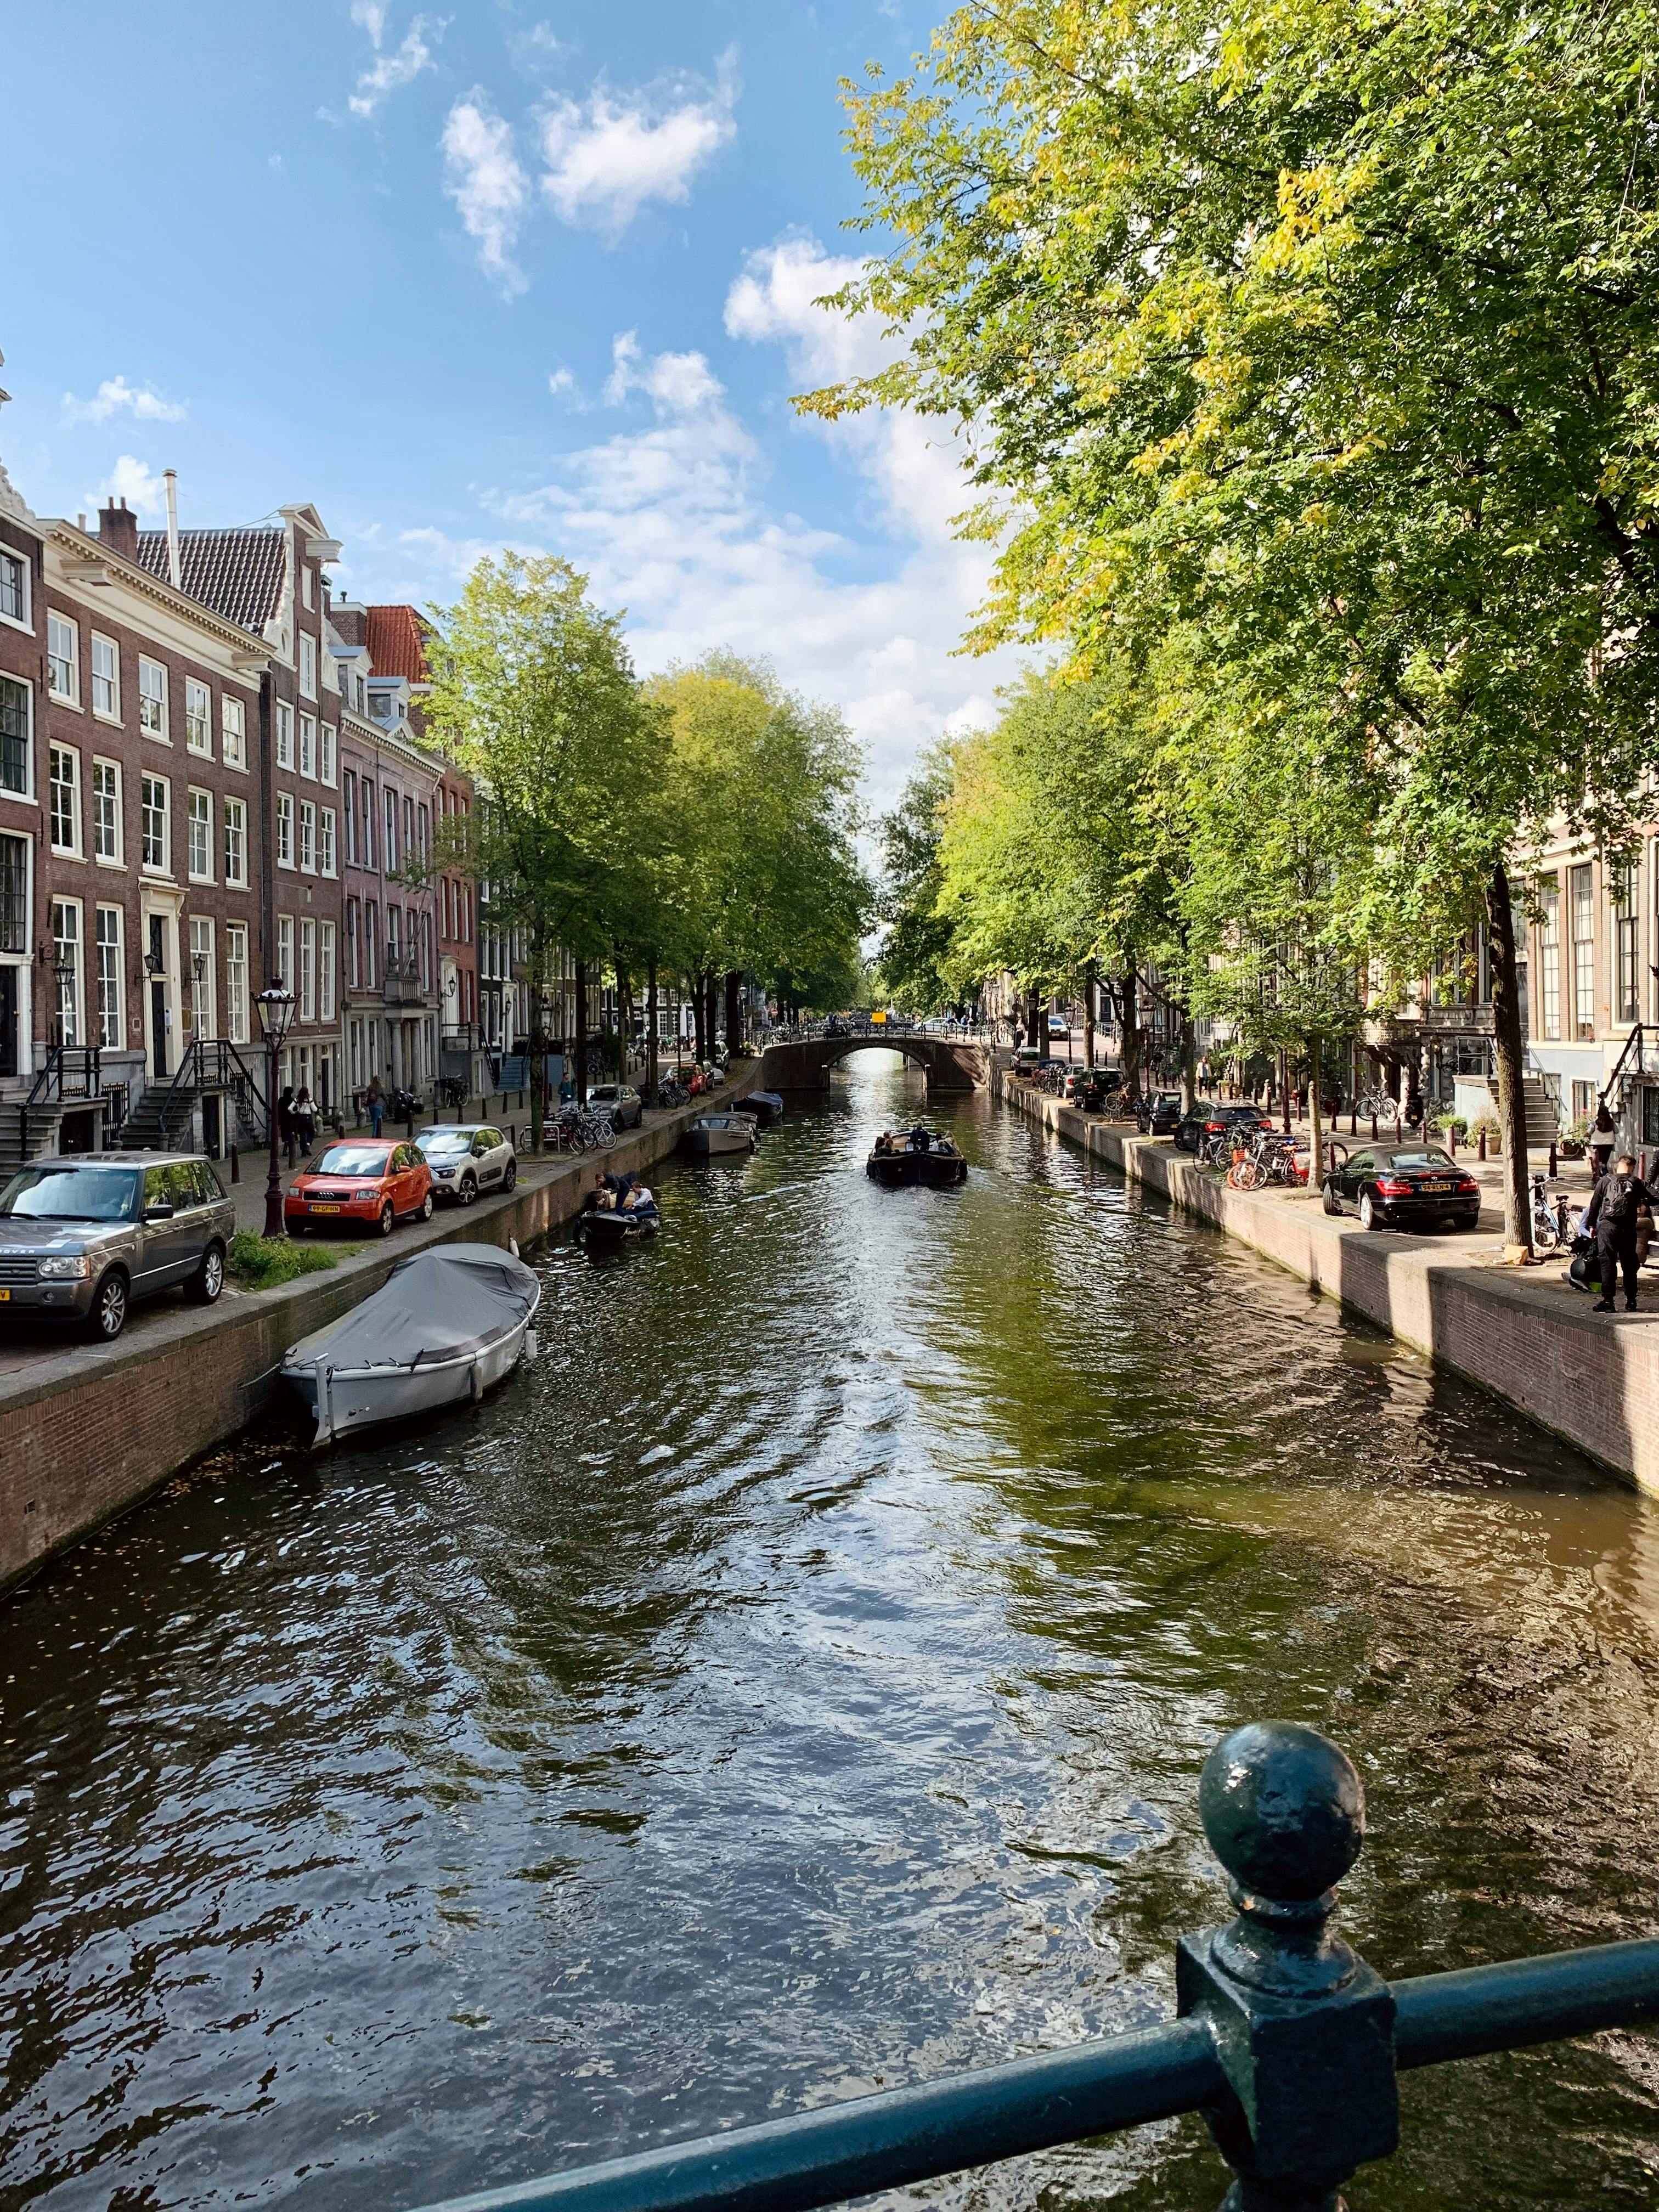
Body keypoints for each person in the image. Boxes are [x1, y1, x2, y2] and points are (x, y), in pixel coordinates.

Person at [1582, 1152, 1658, 1313]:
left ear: (1618, 1165)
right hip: (1628, 1228)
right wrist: (1640, 1199)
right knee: (1629, 1266)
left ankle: (1608, 1301)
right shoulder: (1637, 1183)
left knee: (1607, 1263)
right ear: (1632, 1168)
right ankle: (1631, 1301)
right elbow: (1656, 1197)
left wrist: (1591, 1225)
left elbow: (1595, 1204)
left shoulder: (1605, 1181)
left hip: (1608, 1227)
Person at [1590, 1098, 1617, 1181]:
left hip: (1597, 1143)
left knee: (1600, 1160)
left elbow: (1589, 1131)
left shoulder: (1595, 1122)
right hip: (1609, 1143)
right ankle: (1603, 1174)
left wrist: (1587, 1134)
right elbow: (1617, 1131)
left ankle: (1605, 1175)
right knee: (1605, 1159)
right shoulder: (1611, 1122)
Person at [366, 1075, 385, 1139]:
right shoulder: (380, 1088)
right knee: (377, 1121)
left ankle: (376, 1133)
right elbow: (384, 1096)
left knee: (374, 1120)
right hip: (379, 1105)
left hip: (371, 1105)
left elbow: (367, 1095)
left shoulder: (370, 1087)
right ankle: (375, 1135)